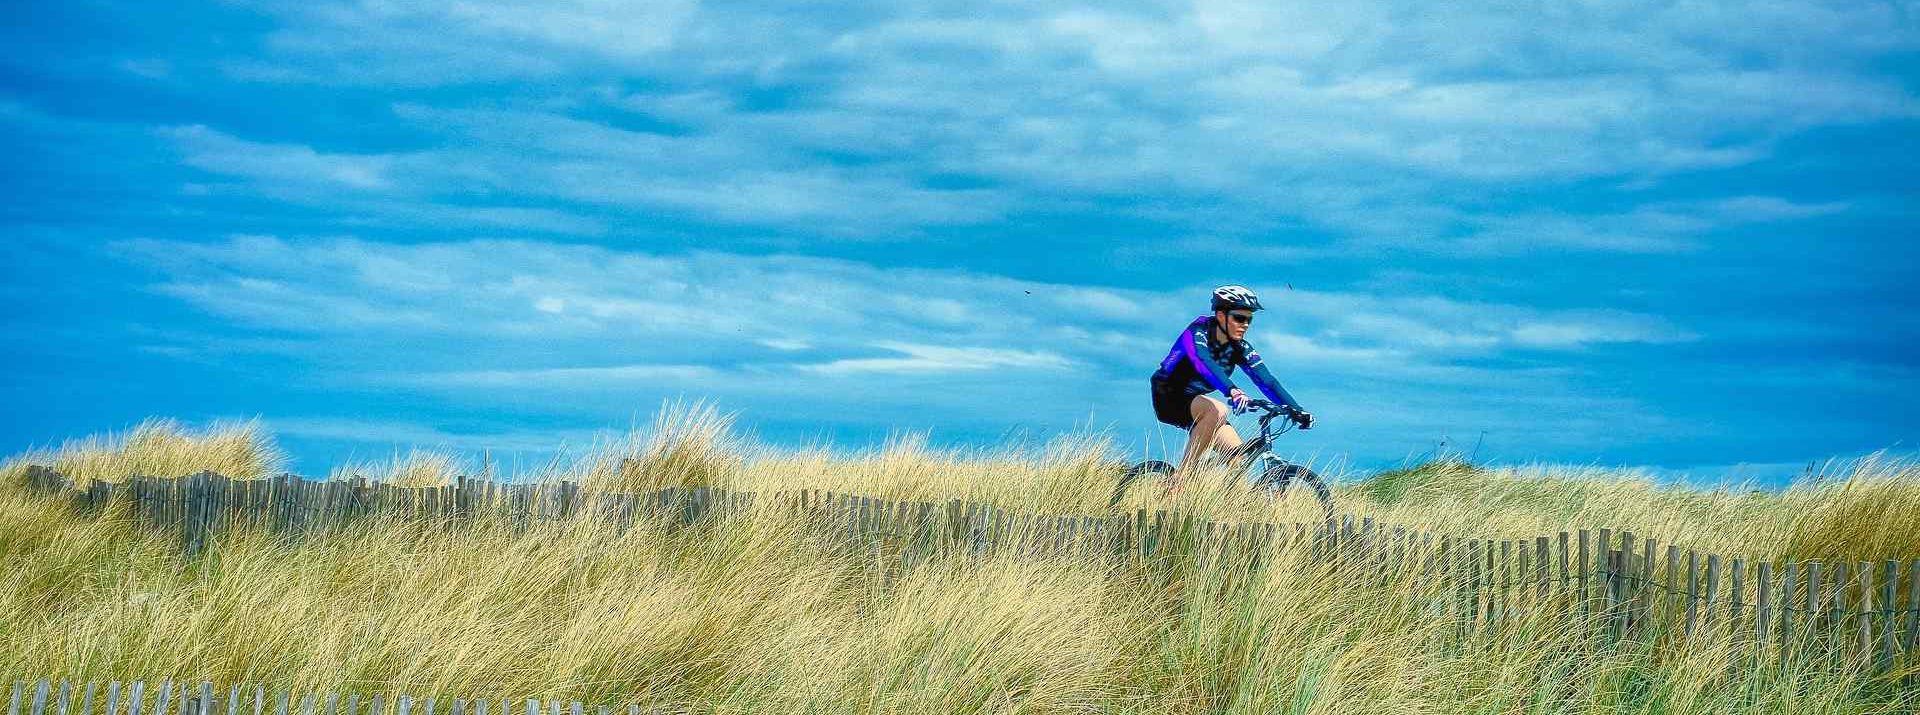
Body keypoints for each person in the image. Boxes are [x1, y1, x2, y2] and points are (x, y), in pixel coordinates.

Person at [1149, 285, 1313, 481]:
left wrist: (1296, 410)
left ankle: (1230, 506)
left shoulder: (1240, 348)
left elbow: (1266, 380)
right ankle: (1181, 478)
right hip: (1168, 395)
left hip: (1197, 404)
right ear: (1220, 315)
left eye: (1249, 320)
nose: (1245, 324)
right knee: (1217, 410)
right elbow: (1203, 362)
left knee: (1238, 459)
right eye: (1239, 318)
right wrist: (1232, 390)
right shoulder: (1196, 332)